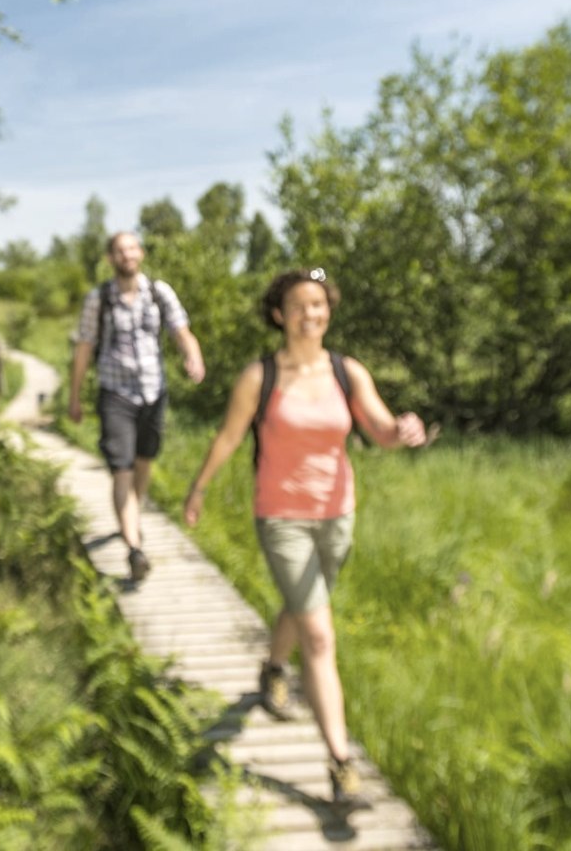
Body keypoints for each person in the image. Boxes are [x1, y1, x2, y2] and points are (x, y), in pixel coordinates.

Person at [181, 267, 431, 809]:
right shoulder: (260, 376)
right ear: (279, 314)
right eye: (298, 305)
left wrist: (402, 431)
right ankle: (341, 764)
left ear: (328, 311)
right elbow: (228, 436)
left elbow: (379, 430)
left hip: (337, 514)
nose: (309, 313)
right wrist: (198, 489)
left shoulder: (347, 371)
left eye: (318, 304)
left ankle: (272, 668)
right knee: (319, 634)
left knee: (303, 607)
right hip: (281, 517)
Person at [68, 231, 205, 583]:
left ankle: (132, 516)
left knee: (144, 464)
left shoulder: (159, 292)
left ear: (140, 253)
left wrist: (193, 356)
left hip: (153, 392)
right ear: (110, 258)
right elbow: (84, 347)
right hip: (115, 393)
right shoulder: (99, 299)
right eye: (119, 250)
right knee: (122, 470)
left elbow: (181, 331)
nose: (126, 255)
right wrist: (74, 395)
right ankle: (134, 547)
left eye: (131, 248)